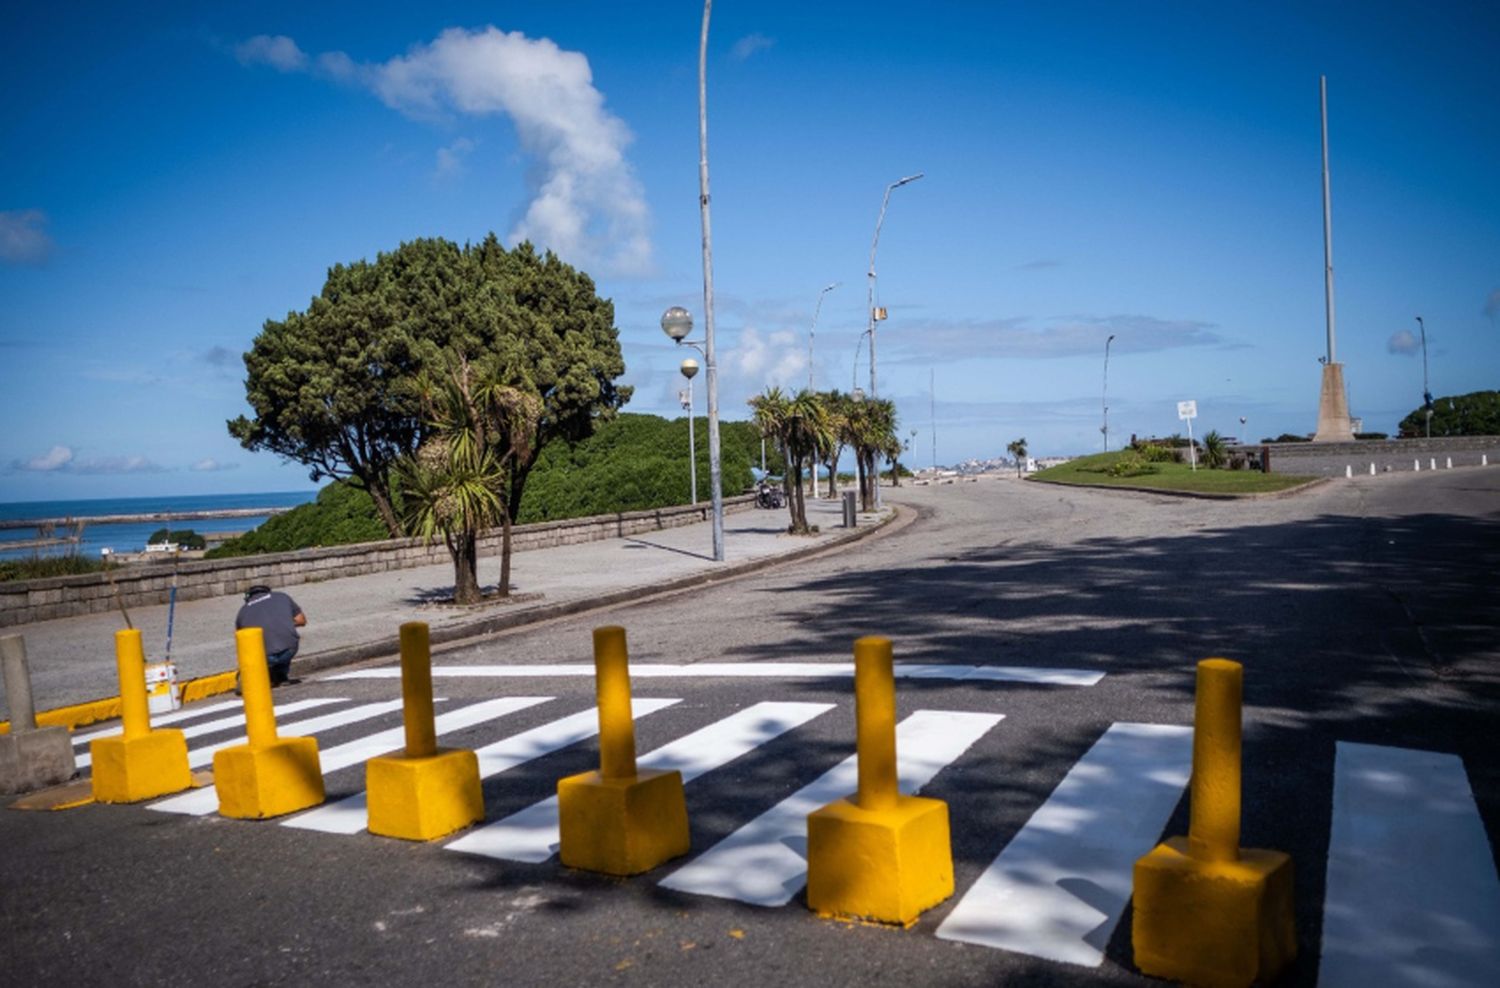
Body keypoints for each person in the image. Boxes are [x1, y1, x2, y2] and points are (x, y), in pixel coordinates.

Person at [235, 585, 306, 687]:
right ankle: (281, 675)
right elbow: (301, 621)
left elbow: (243, 641)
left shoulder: (242, 611)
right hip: (289, 650)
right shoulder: (282, 597)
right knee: (285, 639)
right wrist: (283, 623)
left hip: (264, 656)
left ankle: (252, 676)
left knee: (259, 648)